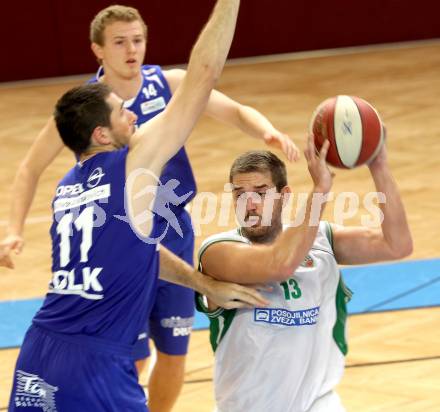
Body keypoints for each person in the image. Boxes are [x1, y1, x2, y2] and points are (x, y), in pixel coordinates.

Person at [0, 5, 299, 411]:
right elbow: (203, 75)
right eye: (121, 111)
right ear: (102, 134)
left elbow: (138, 249)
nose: (133, 112)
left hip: (39, 351)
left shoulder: (66, 189)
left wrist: (203, 284)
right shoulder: (130, 163)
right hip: (98, 364)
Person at [197, 138, 413, 412]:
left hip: (319, 403)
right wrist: (320, 189)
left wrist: (378, 164)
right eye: (240, 194)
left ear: (284, 195)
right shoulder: (217, 251)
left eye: (261, 193)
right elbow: (281, 264)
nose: (249, 205)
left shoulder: (323, 239)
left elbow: (398, 245)